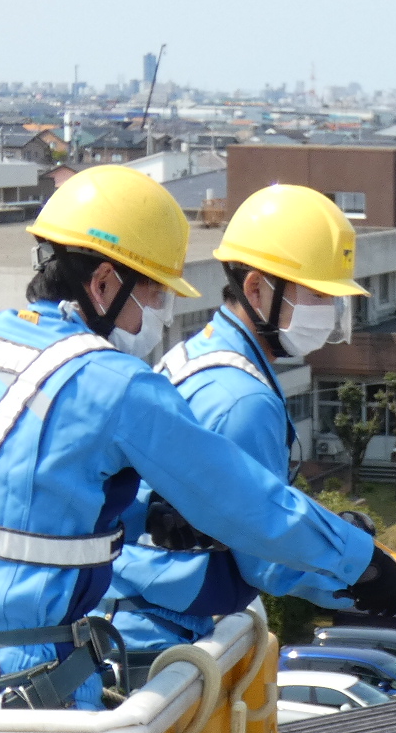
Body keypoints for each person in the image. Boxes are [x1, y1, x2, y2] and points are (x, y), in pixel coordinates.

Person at [0, 165, 396, 708]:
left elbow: (23, 501)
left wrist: (147, 517)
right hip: (37, 684)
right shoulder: (113, 382)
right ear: (102, 284)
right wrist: (363, 563)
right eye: (153, 291)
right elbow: (249, 505)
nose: (160, 313)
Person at [102, 184, 372, 666]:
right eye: (316, 294)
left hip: (131, 614)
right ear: (255, 289)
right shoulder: (242, 400)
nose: (327, 312)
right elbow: (267, 550)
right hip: (151, 639)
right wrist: (367, 578)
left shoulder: (201, 354)